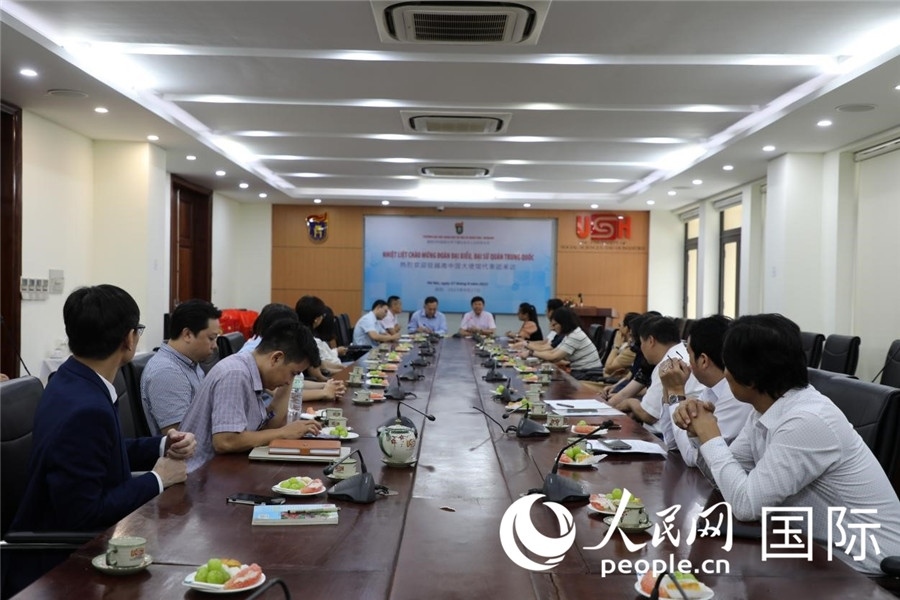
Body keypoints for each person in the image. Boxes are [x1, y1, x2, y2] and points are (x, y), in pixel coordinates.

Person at [673, 313, 900, 574]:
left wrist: (711, 437)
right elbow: (726, 480)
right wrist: (698, 432)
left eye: (727, 366)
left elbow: (746, 506)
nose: (724, 374)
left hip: (865, 567)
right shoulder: (766, 408)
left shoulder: (806, 421)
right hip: (812, 551)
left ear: (752, 378)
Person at [7, 285, 196, 596]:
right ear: (129, 339)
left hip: (70, 543)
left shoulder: (69, 378)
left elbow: (99, 453)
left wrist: (162, 445)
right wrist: (157, 479)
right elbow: (85, 513)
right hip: (60, 565)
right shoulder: (86, 408)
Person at [179, 318, 322, 472]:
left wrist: (286, 384)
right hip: (199, 475)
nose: (289, 381)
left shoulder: (253, 371)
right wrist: (284, 433)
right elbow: (225, 441)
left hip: (224, 468)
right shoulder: (236, 374)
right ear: (276, 358)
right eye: (293, 373)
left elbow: (267, 427)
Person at [657, 315, 752, 468]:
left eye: (688, 355)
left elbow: (693, 457)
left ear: (703, 360)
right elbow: (672, 443)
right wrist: (668, 387)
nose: (687, 363)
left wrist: (676, 391)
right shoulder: (711, 390)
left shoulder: (736, 396)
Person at [141, 299, 222, 434]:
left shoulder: (190, 362)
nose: (215, 346)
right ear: (187, 335)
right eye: (211, 338)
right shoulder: (167, 373)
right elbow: (180, 438)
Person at [615, 315, 703, 434]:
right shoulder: (679, 353)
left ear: (651, 341)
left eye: (641, 343)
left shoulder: (669, 363)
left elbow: (648, 415)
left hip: (662, 436)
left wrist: (629, 403)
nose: (641, 348)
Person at [528, 307, 602, 380]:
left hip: (588, 374)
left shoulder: (575, 336)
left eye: (554, 325)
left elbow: (554, 357)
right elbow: (553, 352)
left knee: (551, 381)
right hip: (581, 372)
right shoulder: (569, 335)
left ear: (564, 323)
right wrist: (533, 353)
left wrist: (531, 353)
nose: (552, 328)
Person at [603, 312, 640, 379]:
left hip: (613, 383)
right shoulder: (627, 345)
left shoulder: (631, 351)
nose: (619, 328)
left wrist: (616, 346)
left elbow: (607, 369)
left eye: (620, 325)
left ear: (627, 329)